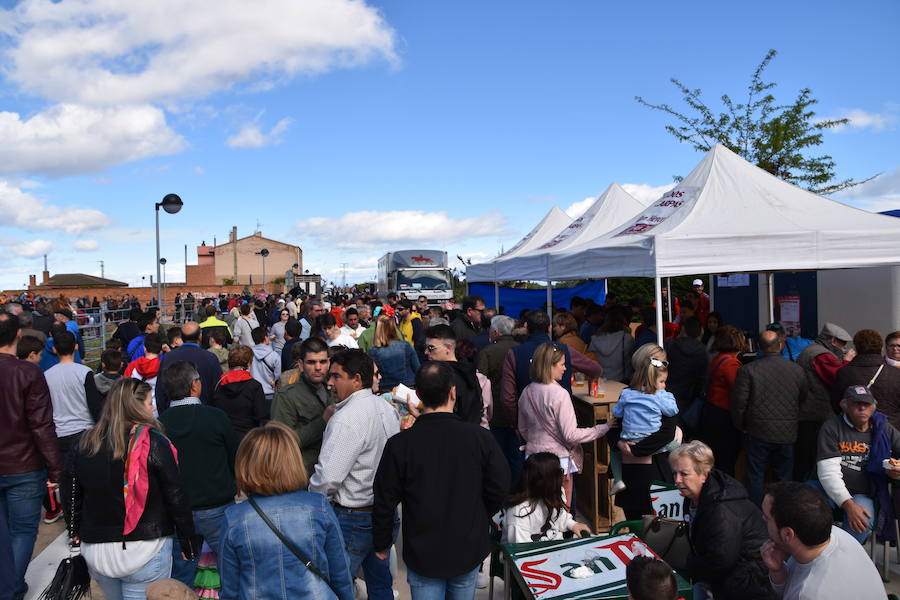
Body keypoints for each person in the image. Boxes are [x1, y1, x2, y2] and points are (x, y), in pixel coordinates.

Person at [373, 361, 510, 599]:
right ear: (453, 393)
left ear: (417, 395)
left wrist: (382, 542)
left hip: (424, 550)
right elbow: (499, 486)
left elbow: (385, 497)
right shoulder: (479, 438)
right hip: (466, 545)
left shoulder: (401, 444)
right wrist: (479, 515)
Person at [69, 378, 197, 598]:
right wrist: (187, 539)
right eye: (149, 402)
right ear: (136, 406)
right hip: (145, 549)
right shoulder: (154, 442)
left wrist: (75, 534)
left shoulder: (83, 443)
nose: (153, 407)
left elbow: (72, 494)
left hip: (98, 551)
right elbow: (175, 495)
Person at [218, 422, 354, 600]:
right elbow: (340, 573)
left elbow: (230, 589)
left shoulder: (235, 519)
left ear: (245, 464)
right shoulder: (318, 507)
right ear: (293, 461)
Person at [308, 350, 400, 600]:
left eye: (336, 376)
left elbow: (327, 477)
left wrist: (311, 504)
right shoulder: (386, 408)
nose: (330, 382)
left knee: (335, 587)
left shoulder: (347, 418)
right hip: (381, 514)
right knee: (380, 584)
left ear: (357, 379)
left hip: (353, 518)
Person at [158, 361, 239, 587]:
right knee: (230, 571)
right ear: (195, 385)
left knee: (182, 574)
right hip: (219, 505)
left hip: (178, 511)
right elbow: (235, 456)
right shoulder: (216, 416)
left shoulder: (160, 424)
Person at [0, 313, 62, 600]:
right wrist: (55, 468)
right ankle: (11, 587)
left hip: (21, 463)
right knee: (23, 531)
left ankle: (9, 585)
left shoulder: (27, 373)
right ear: (17, 337)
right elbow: (41, 425)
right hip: (24, 464)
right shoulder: (27, 372)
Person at [668, 441, 774, 600]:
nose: (677, 480)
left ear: (703, 475)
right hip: (719, 577)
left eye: (684, 474)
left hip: (747, 584)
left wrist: (687, 566)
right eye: (674, 473)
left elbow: (721, 561)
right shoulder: (694, 496)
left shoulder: (722, 509)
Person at [518, 343, 612, 507]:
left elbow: (523, 429)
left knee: (536, 509)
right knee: (561, 512)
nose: (564, 368)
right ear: (550, 366)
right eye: (562, 364)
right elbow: (571, 435)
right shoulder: (560, 394)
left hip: (532, 458)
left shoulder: (527, 391)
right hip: (557, 462)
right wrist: (602, 429)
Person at [760, 481, 884, 599]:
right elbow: (792, 589)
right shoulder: (836, 534)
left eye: (766, 518)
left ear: (787, 534)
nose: (762, 519)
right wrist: (778, 571)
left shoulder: (810, 594)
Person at [813, 384, 900, 544]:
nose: (862, 408)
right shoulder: (831, 427)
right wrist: (848, 504)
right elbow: (828, 473)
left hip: (863, 492)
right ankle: (820, 555)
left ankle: (844, 559)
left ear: (873, 407)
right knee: (807, 512)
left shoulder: (883, 428)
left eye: (866, 404)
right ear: (844, 405)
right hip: (825, 489)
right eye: (856, 403)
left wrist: (896, 470)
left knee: (862, 522)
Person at [731, 330, 808, 505]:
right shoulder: (796, 370)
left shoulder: (747, 370)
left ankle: (758, 515)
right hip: (787, 432)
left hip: (757, 431)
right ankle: (782, 512)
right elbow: (803, 397)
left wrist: (741, 425)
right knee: (784, 477)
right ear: (780, 346)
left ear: (759, 347)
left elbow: (739, 403)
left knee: (755, 476)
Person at [610, 351, 680, 496]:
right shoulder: (663, 396)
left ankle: (617, 480)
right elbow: (667, 433)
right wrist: (633, 450)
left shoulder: (627, 394)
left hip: (635, 467)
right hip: (653, 472)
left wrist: (624, 447)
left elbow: (615, 423)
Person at [794, 322, 854, 481]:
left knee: (806, 456)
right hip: (816, 413)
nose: (844, 347)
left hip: (807, 411)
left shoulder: (811, 350)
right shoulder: (822, 355)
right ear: (833, 341)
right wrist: (847, 361)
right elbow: (839, 378)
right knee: (814, 457)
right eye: (842, 343)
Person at [272, 337, 333, 477]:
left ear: (328, 362)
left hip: (331, 474)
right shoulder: (286, 396)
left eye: (322, 362)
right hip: (304, 475)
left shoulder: (333, 389)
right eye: (311, 362)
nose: (318, 367)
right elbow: (281, 443)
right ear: (300, 364)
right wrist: (322, 421)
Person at [501, 452, 590, 543]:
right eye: (560, 471)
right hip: (528, 553)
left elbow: (560, 516)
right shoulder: (520, 511)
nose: (563, 476)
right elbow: (520, 549)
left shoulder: (556, 493)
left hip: (553, 548)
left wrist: (573, 525)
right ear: (546, 481)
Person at [698, 325, 745, 476]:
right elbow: (737, 392)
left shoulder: (718, 359)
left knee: (717, 459)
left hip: (712, 413)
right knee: (727, 461)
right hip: (723, 417)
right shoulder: (731, 363)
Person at [832, 328, 900, 429]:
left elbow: (837, 403)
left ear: (857, 348)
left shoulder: (844, 373)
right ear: (881, 348)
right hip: (891, 429)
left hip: (856, 431)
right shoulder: (895, 373)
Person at [155, 322, 223, 412]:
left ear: (182, 337)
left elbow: (160, 391)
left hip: (174, 414)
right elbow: (218, 390)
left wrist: (165, 414)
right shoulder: (210, 358)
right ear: (200, 336)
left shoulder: (168, 357)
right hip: (204, 413)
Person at [424, 324, 484, 424]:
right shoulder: (467, 370)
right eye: (426, 348)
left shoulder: (445, 376)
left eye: (431, 348)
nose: (426, 352)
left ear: (448, 347)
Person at [477, 315, 519, 449]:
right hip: (518, 407)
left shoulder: (488, 352)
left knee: (497, 451)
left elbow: (480, 381)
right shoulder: (520, 349)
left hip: (495, 410)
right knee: (516, 453)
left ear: (495, 332)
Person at [211, 346, 269, 439]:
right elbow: (261, 416)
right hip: (249, 438)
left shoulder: (218, 385)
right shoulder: (254, 386)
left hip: (224, 437)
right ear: (249, 363)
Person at [663, 316, 708, 412]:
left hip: (668, 390)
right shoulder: (703, 351)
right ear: (700, 331)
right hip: (688, 395)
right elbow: (702, 377)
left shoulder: (670, 344)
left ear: (684, 329)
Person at [368, 314, 420, 391]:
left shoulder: (373, 351)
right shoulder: (406, 346)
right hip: (407, 387)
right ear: (393, 327)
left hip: (385, 389)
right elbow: (417, 368)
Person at [588, 308, 634, 383]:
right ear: (623, 322)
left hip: (600, 380)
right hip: (621, 381)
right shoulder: (627, 338)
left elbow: (591, 357)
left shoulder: (595, 339)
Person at [125, 332, 164, 413]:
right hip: (156, 411)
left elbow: (125, 389)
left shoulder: (132, 366)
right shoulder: (163, 368)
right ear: (161, 351)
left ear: (144, 349)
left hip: (135, 409)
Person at [250, 325, 282, 405]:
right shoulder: (274, 356)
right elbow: (278, 376)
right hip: (270, 393)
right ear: (265, 337)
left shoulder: (249, 354)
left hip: (253, 393)